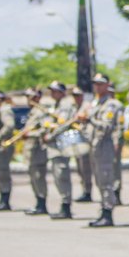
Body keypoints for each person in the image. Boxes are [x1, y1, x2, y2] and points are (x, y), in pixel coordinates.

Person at [77, 74, 123, 227]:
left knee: (105, 180)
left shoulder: (111, 104)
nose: (97, 87)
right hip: (94, 144)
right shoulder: (94, 103)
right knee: (99, 180)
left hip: (105, 145)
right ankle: (103, 210)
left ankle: (108, 212)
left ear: (107, 85)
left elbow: (107, 126)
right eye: (95, 84)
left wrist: (89, 118)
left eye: (100, 84)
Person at [44, 81, 77, 219]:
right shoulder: (57, 105)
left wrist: (50, 134)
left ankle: (66, 206)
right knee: (58, 176)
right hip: (55, 146)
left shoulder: (65, 105)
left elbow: (63, 124)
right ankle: (64, 204)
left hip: (60, 146)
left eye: (55, 91)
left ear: (62, 92)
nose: (52, 93)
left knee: (61, 175)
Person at [20, 88, 50, 216]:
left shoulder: (41, 112)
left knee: (38, 177)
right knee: (33, 178)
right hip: (31, 150)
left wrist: (30, 134)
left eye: (31, 97)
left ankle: (42, 204)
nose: (29, 100)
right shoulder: (32, 112)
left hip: (38, 150)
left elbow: (45, 129)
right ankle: (38, 202)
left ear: (38, 98)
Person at [71, 86, 94, 203]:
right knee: (79, 168)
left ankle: (88, 191)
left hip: (84, 139)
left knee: (85, 167)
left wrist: (82, 119)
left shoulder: (86, 105)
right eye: (74, 96)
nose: (76, 98)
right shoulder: (74, 107)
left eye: (78, 95)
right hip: (76, 140)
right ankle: (84, 189)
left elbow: (90, 118)